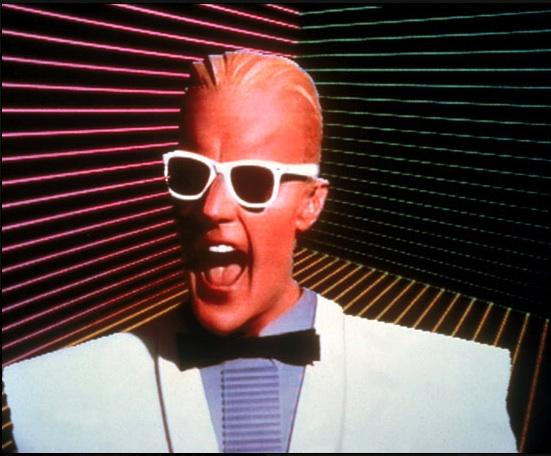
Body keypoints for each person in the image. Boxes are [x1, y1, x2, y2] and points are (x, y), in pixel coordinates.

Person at [3, 51, 516, 453]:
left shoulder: (449, 387)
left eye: (252, 181)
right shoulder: (55, 392)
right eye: (191, 173)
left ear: (310, 203)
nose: (212, 207)